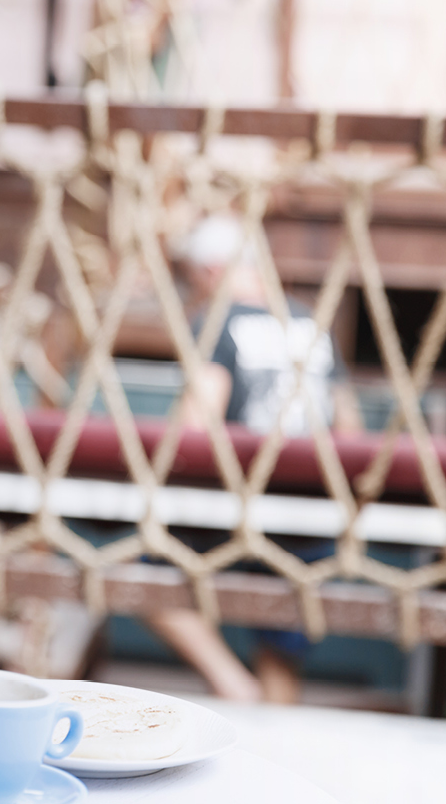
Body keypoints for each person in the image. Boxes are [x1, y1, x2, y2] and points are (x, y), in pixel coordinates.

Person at [147, 214, 361, 704]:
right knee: (280, 653)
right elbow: (348, 427)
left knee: (146, 577)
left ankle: (231, 685)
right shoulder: (310, 322)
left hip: (238, 510)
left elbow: (196, 426)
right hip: (310, 516)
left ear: (211, 272)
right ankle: (273, 732)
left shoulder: (218, 322)